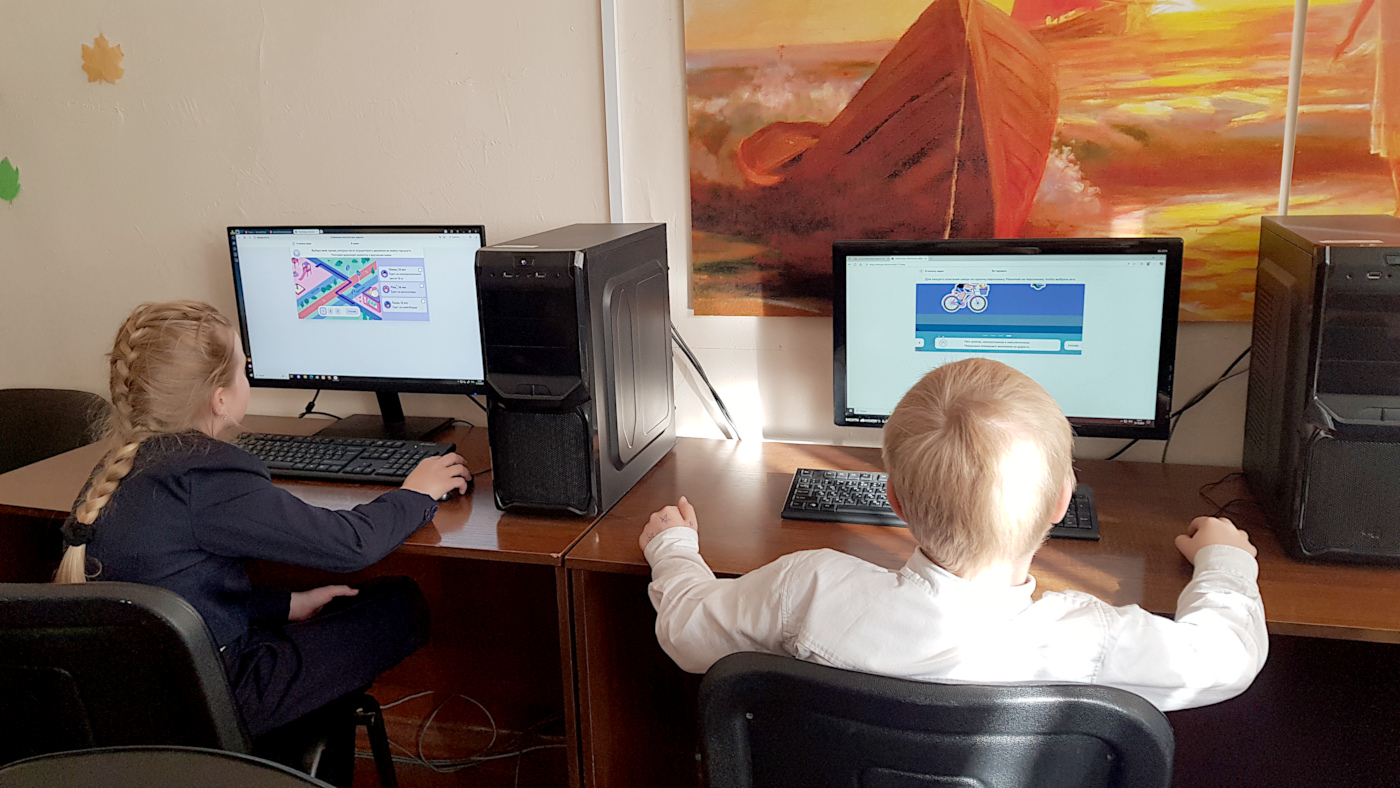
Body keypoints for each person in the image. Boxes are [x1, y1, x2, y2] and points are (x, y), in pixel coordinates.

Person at [639, 358, 1266, 711]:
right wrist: (1225, 561)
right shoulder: (1090, 640)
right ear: (1061, 502)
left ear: (893, 500)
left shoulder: (809, 587)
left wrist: (673, 550)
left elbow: (687, 635)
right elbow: (1228, 658)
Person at [54, 300, 469, 778]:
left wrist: (285, 604)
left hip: (141, 697)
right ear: (220, 399)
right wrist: (417, 492)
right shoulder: (206, 474)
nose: (247, 375)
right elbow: (350, 545)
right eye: (243, 367)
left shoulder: (117, 470)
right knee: (400, 603)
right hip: (217, 697)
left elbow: (174, 596)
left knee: (335, 606)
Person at [1337, 0, 1400, 215]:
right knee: (1391, 133)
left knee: (1392, 130)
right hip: (1390, 50)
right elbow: (1367, 3)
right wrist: (1350, 35)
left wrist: (1350, 36)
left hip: (1391, 49)